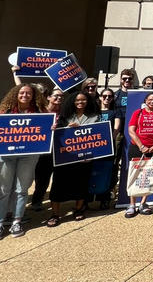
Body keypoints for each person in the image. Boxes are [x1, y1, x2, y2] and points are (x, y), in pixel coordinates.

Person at [0, 84, 47, 241]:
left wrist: (51, 128)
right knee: (4, 190)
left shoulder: (40, 112)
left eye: (29, 93)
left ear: (33, 96)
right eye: (22, 92)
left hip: (28, 155)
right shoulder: (4, 111)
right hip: (5, 155)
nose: (25, 95)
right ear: (16, 94)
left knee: (21, 189)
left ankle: (16, 221)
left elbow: (45, 130)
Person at [47, 91, 100, 227]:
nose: (80, 103)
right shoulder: (65, 116)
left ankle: (78, 209)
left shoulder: (95, 116)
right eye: (77, 100)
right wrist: (62, 128)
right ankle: (55, 214)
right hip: (65, 157)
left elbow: (99, 134)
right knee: (58, 184)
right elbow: (58, 133)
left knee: (81, 183)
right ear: (72, 102)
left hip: (84, 157)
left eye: (83, 100)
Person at [125, 91, 153, 218]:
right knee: (134, 175)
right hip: (137, 148)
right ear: (145, 101)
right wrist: (141, 146)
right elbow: (131, 131)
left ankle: (143, 204)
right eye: (150, 99)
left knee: (149, 175)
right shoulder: (138, 113)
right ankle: (132, 205)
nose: (152, 102)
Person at [30, 88, 63, 211]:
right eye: (56, 96)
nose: (59, 98)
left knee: (58, 178)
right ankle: (37, 201)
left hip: (59, 149)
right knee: (42, 178)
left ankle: (56, 200)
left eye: (61, 96)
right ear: (48, 97)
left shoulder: (64, 113)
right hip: (42, 150)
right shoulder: (41, 112)